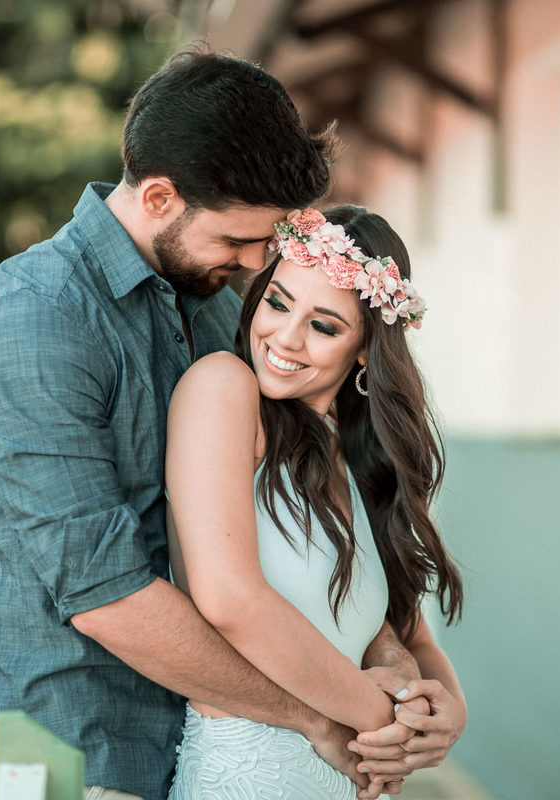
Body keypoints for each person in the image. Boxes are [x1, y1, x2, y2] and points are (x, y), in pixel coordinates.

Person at [0, 47, 461, 800]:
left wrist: (391, 657)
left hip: (201, 752)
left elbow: (303, 529)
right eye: (238, 239)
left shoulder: (219, 311)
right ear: (157, 198)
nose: (257, 263)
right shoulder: (36, 320)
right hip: (77, 758)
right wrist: (314, 718)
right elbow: (105, 594)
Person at [163, 205, 466, 799]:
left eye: (324, 326)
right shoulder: (223, 386)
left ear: (363, 351)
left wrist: (445, 714)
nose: (284, 336)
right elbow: (229, 600)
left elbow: (412, 634)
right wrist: (383, 723)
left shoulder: (354, 456)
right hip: (249, 777)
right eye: (277, 303)